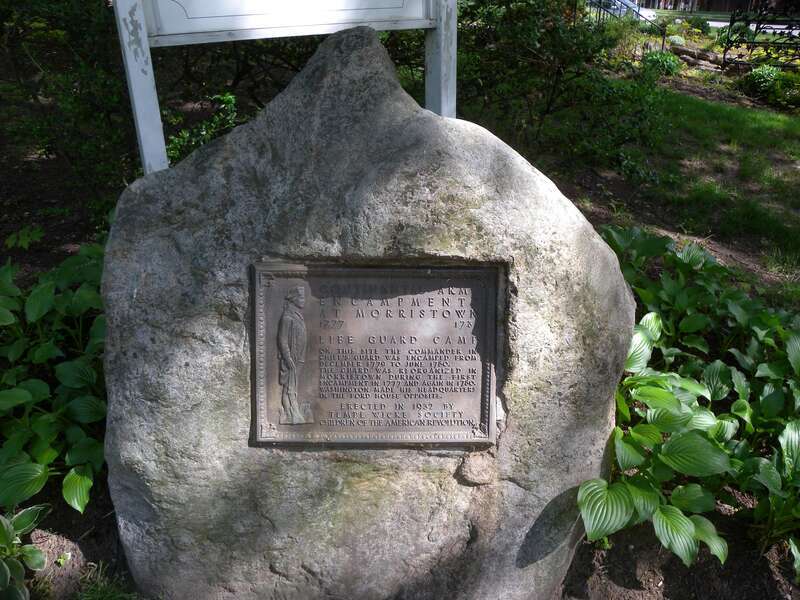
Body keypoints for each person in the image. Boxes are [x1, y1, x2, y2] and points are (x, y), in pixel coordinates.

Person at [277, 285, 311, 424]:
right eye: (301, 297)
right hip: (291, 359)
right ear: (294, 299)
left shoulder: (297, 316)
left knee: (293, 387)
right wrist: (288, 358)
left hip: (299, 359)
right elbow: (282, 340)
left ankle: (294, 413)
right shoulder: (287, 317)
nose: (304, 300)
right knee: (289, 388)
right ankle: (292, 414)